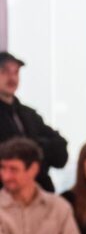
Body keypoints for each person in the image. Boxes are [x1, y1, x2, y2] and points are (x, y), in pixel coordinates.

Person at [0, 51, 68, 193]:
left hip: (39, 196)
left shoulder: (30, 115)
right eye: (4, 71)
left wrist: (37, 147)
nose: (12, 77)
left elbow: (60, 153)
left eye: (15, 72)